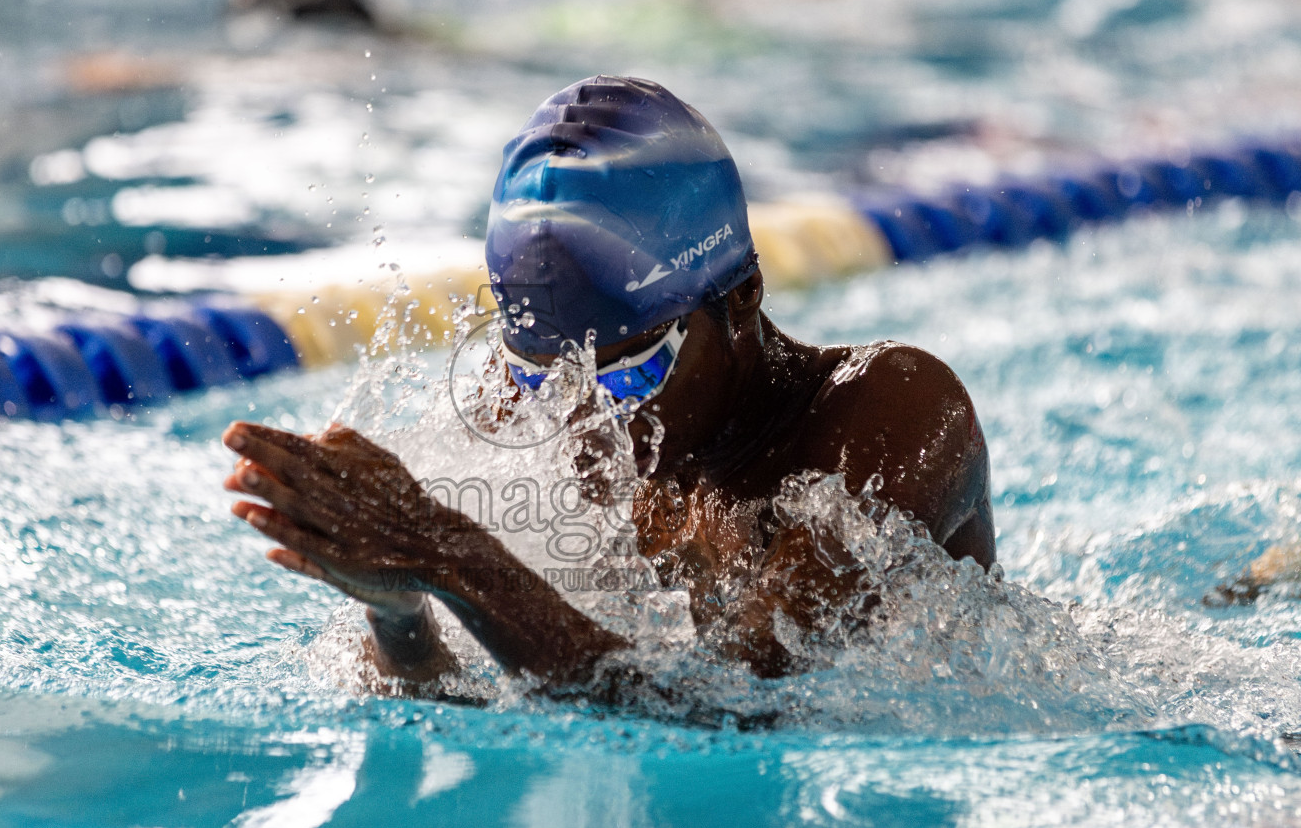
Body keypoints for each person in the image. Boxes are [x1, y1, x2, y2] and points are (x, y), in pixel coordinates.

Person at [223, 76, 994, 697]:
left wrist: (455, 556)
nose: (582, 419)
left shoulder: (889, 413)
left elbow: (734, 708)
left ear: (743, 297)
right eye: (539, 376)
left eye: (631, 372)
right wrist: (400, 608)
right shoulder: (533, 404)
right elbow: (475, 701)